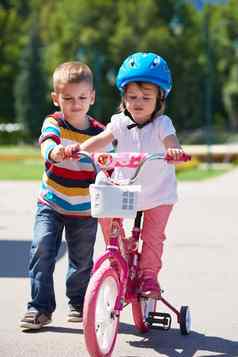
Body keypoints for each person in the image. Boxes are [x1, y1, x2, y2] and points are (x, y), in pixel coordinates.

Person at [80, 52, 185, 299]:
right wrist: (79, 149)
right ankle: (119, 255)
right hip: (126, 188)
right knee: (107, 217)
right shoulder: (118, 122)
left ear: (160, 98)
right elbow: (101, 140)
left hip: (159, 194)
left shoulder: (163, 124)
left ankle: (149, 276)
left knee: (152, 237)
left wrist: (174, 150)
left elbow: (171, 140)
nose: (138, 102)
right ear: (124, 97)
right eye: (132, 97)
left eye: (146, 97)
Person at [20, 61, 105, 330]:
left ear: (92, 97)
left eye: (82, 97)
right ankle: (40, 308)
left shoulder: (100, 132)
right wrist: (54, 152)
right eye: (68, 98)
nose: (75, 103)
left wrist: (106, 165)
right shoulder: (54, 121)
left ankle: (78, 302)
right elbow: (47, 141)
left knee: (81, 261)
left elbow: (106, 162)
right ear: (56, 99)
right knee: (42, 249)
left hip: (84, 209)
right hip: (52, 202)